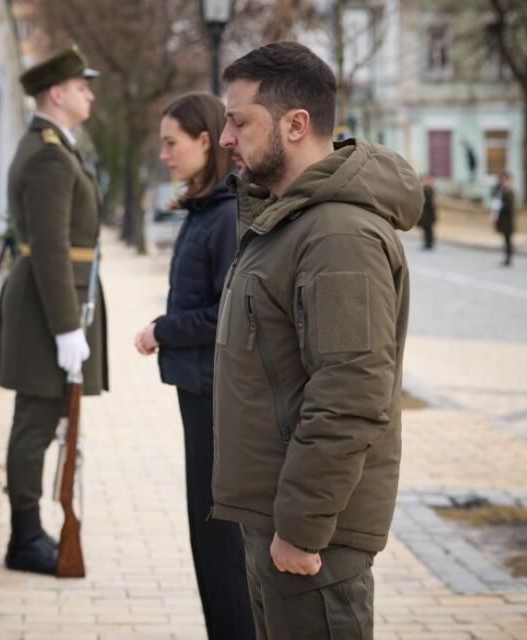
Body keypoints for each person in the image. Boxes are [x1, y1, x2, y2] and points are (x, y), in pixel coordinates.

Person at [213, 42, 421, 638]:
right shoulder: (289, 220)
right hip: (280, 518)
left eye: (239, 120)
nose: (227, 137)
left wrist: (301, 527)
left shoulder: (337, 237)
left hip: (311, 539)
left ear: (296, 124)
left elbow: (351, 393)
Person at [133, 92, 253, 639]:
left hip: (214, 392)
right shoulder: (206, 209)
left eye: (172, 143)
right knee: (206, 534)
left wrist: (162, 330)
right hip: (196, 387)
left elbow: (226, 310)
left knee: (219, 537)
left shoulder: (225, 214)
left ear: (206, 141)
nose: (165, 154)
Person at [0, 43, 108, 575]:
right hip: (48, 307)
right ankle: (25, 537)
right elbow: (50, 248)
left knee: (41, 420)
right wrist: (66, 328)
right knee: (35, 424)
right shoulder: (47, 154)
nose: (89, 93)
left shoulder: (56, 146)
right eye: (81, 86)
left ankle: (29, 531)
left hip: (56, 302)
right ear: (57, 94)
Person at [493, 172, 515, 267]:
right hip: (503, 220)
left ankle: (508, 257)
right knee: (505, 239)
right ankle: (506, 257)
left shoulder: (509, 192)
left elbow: (508, 206)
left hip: (508, 220)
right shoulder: (501, 191)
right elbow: (494, 195)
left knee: (508, 239)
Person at [419, 174, 437, 249]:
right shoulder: (423, 189)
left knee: (429, 229)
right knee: (425, 229)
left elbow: (428, 201)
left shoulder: (429, 190)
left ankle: (429, 243)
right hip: (425, 214)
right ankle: (427, 242)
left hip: (429, 214)